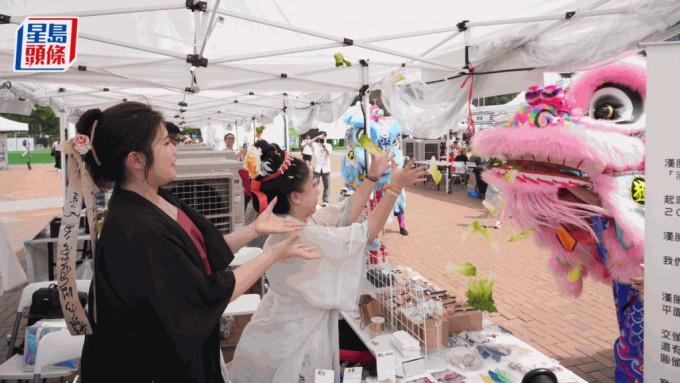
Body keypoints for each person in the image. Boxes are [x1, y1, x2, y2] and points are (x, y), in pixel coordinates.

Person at [76, 102, 320, 383]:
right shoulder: (136, 228)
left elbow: (203, 252)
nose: (175, 150)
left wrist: (254, 229)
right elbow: (204, 296)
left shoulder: (157, 198)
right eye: (166, 143)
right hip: (152, 368)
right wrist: (275, 253)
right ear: (137, 160)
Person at [231, 140, 428, 382]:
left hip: (272, 331)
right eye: (314, 185)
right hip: (293, 343)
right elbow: (368, 231)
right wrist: (394, 188)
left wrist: (373, 176)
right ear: (295, 196)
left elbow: (345, 212)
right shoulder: (300, 233)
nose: (318, 190)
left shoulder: (289, 221)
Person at [311, 131, 332, 207]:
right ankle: (314, 201)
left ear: (326, 137)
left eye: (323, 136)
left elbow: (328, 153)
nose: (322, 138)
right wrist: (317, 137)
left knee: (327, 185)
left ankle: (326, 201)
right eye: (321, 136)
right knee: (314, 185)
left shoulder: (329, 145)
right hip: (317, 168)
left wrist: (323, 145)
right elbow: (309, 143)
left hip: (326, 168)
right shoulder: (315, 145)